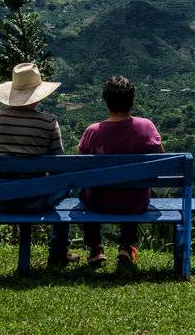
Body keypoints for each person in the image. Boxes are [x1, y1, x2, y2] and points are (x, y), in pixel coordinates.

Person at [0, 62, 78, 269]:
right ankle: (59, 251)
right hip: (36, 200)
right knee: (65, 186)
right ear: (37, 95)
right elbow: (58, 165)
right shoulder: (48, 123)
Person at [78, 75, 164, 266]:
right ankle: (126, 246)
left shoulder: (92, 131)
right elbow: (161, 158)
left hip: (98, 202)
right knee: (131, 189)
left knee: (85, 191)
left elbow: (81, 167)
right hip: (135, 202)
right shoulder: (147, 126)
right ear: (131, 101)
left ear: (106, 102)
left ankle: (95, 248)